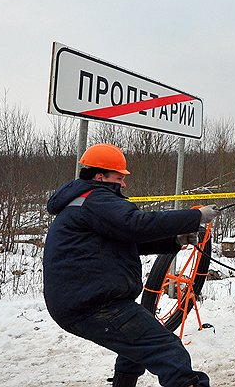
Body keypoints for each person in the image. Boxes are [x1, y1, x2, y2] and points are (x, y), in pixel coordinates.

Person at [43, 143, 220, 387]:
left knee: (134, 350)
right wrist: (194, 216)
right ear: (100, 176)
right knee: (169, 352)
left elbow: (124, 241)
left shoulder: (83, 203)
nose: (124, 184)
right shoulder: (96, 199)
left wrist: (175, 240)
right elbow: (136, 223)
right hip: (92, 304)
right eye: (119, 177)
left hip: (82, 301)